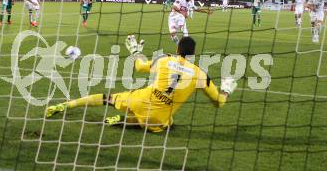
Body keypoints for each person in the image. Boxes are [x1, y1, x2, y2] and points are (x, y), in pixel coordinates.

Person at [46, 35, 237, 133]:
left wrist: (136, 50)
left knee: (107, 98)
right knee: (167, 121)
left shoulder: (165, 59)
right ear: (193, 54)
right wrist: (226, 90)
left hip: (141, 100)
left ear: (177, 49)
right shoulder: (200, 74)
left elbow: (139, 66)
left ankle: (65, 105)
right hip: (158, 119)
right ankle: (124, 121)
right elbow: (219, 102)